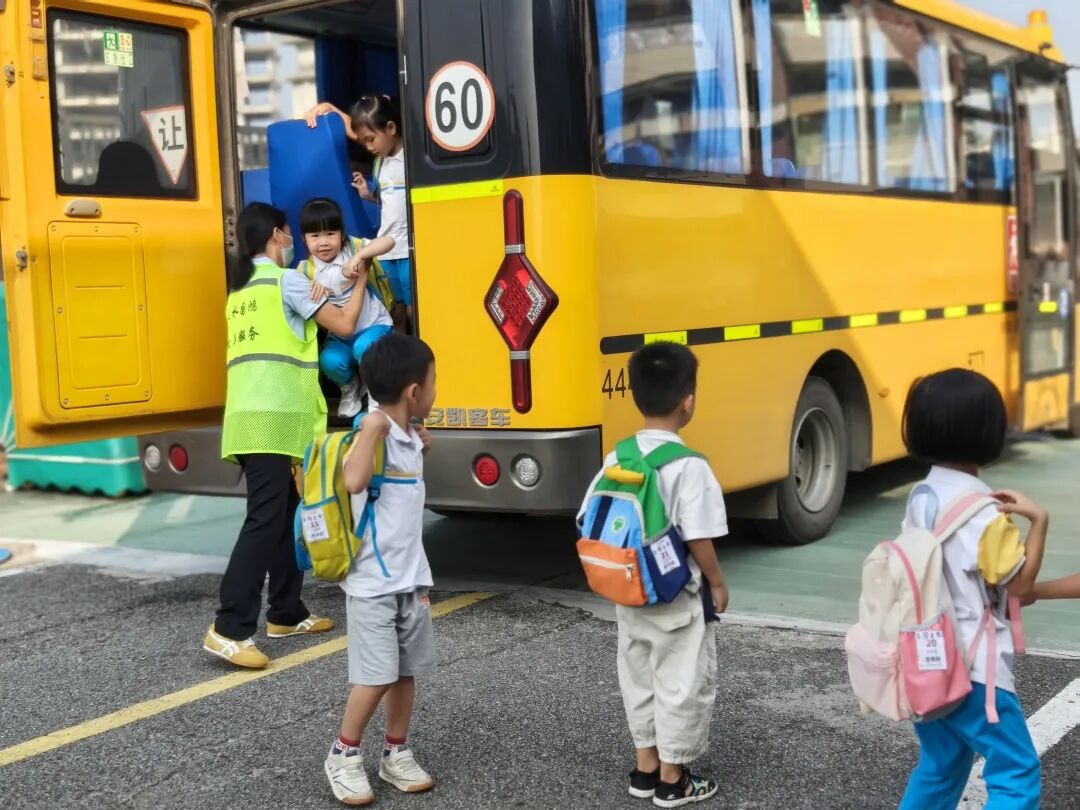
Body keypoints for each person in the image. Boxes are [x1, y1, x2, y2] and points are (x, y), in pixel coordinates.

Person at [204, 202, 367, 669]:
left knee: (285, 513)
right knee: (264, 519)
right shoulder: (286, 281)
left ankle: (286, 611)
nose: (295, 242)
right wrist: (358, 280)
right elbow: (345, 325)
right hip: (274, 418)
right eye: (289, 234)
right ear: (276, 234)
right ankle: (229, 627)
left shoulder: (239, 291)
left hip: (251, 416)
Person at [579, 342, 729, 808]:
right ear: (688, 400)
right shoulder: (689, 466)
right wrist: (717, 583)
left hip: (628, 591)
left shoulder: (617, 458)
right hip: (676, 598)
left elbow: (586, 517)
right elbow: (699, 537)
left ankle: (644, 769)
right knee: (681, 683)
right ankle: (674, 779)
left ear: (636, 396)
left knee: (638, 677)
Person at [898, 369, 1047, 810]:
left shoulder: (922, 495)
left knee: (942, 763)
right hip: (974, 670)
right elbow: (1019, 584)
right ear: (989, 431)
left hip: (925, 658)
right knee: (1016, 770)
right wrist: (1039, 522)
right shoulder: (984, 515)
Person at [324, 334, 438, 805]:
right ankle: (343, 754)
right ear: (414, 392)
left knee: (406, 672)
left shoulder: (409, 436)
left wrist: (417, 444)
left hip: (409, 580)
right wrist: (372, 427)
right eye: (433, 383)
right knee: (375, 675)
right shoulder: (372, 432)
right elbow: (353, 479)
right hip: (373, 584)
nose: (436, 391)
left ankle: (396, 752)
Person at [305, 95, 412, 330]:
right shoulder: (380, 161)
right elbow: (353, 128)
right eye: (364, 142)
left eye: (371, 140)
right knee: (396, 308)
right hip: (386, 252)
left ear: (391, 128)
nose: (368, 147)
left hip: (408, 249)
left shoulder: (411, 157)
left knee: (415, 308)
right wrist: (368, 195)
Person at [299, 197, 395, 417]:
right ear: (304, 240)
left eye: (330, 234)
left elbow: (389, 241)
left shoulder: (354, 247)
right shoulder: (305, 270)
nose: (323, 242)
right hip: (341, 334)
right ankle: (351, 386)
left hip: (374, 326)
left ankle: (375, 392)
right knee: (328, 361)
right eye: (315, 236)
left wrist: (361, 255)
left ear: (342, 235)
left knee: (365, 347)